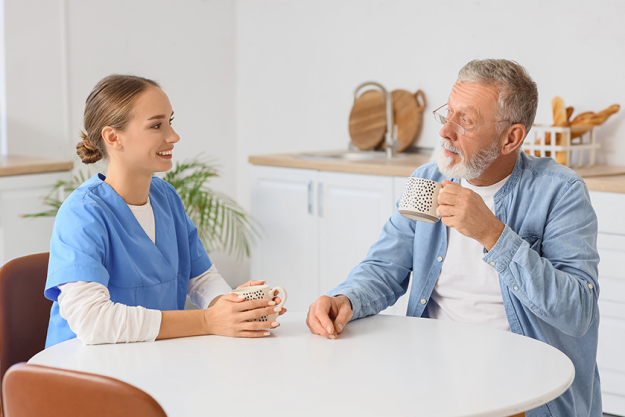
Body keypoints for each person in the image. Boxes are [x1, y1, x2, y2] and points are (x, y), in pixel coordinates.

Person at [306, 59, 600, 416]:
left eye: (466, 121)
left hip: (520, 388)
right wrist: (345, 299)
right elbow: (385, 266)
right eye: (448, 113)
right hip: (432, 378)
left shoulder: (561, 191)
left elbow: (578, 312)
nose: (446, 131)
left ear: (511, 138)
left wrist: (492, 233)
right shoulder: (428, 179)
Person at [45, 74, 285, 348]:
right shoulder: (82, 214)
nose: (173, 136)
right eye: (156, 125)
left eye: (169, 122)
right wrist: (208, 321)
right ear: (113, 137)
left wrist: (231, 308)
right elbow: (93, 322)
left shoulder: (166, 198)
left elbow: (201, 278)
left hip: (153, 361)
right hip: (83, 374)